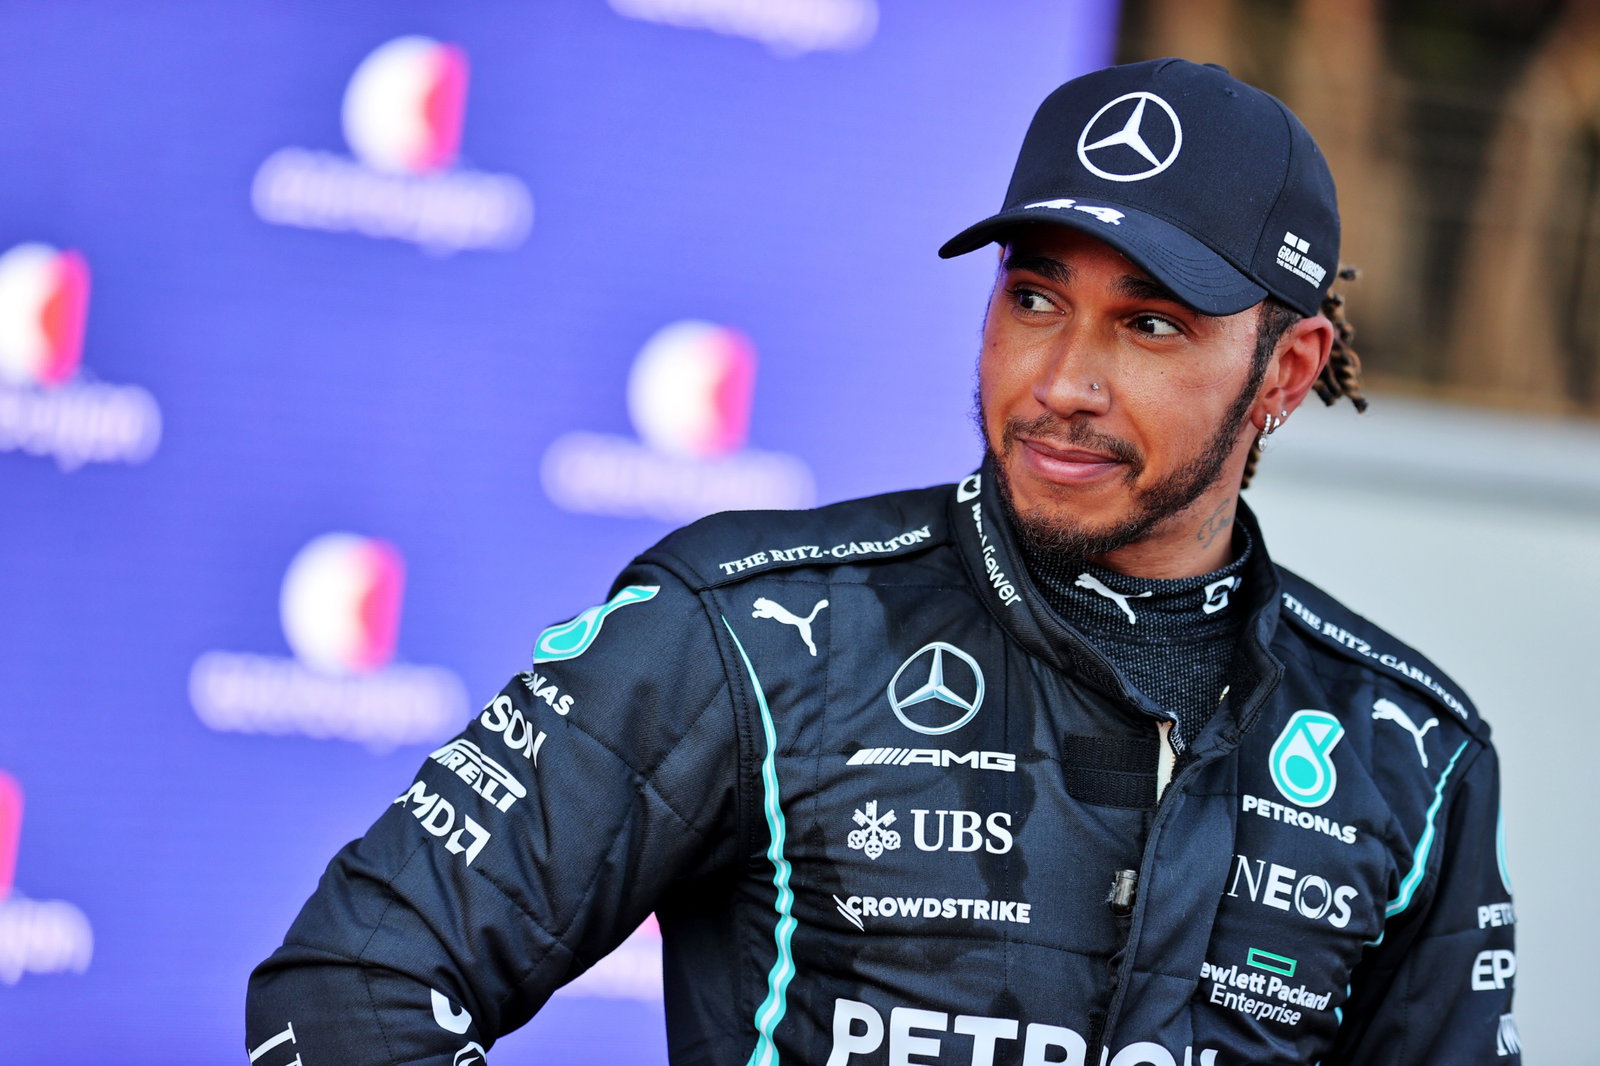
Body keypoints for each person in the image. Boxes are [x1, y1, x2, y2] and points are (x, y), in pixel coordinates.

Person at [246, 58, 1518, 1066]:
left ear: (1283, 372)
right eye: (1033, 297)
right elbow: (352, 985)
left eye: (1148, 324)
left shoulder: (1411, 752)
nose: (1062, 382)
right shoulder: (749, 632)